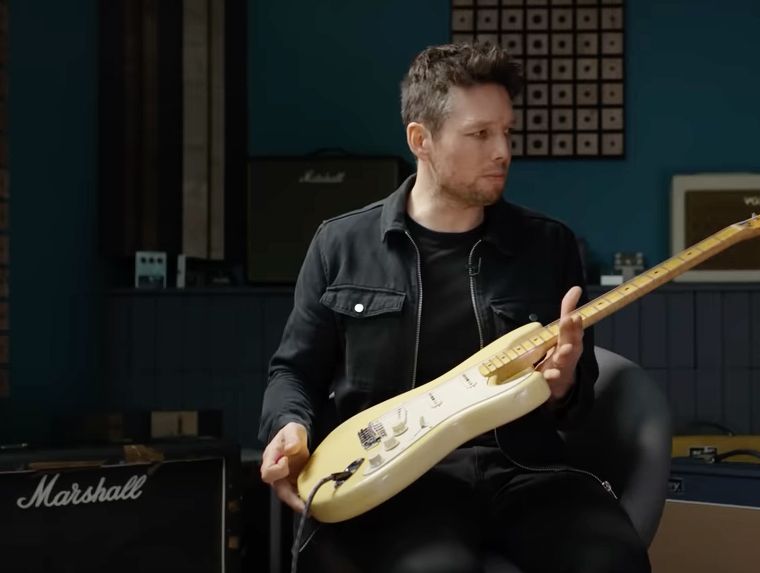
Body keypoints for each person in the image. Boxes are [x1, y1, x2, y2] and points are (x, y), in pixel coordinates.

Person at [259, 42, 650, 573]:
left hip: (528, 472)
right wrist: (290, 425)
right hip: (403, 482)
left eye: (507, 132)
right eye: (480, 134)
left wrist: (562, 384)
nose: (503, 152)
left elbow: (576, 402)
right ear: (421, 139)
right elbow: (294, 371)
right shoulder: (340, 245)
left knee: (613, 561)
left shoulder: (550, 246)